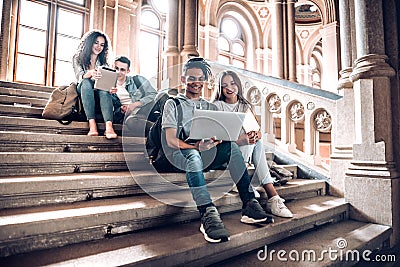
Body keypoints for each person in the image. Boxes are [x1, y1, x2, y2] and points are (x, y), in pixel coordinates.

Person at [162, 57, 273, 243]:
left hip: (205, 152)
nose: (196, 82)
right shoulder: (173, 104)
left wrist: (214, 142)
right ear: (183, 80)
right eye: (191, 78)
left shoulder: (210, 106)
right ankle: (207, 212)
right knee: (193, 156)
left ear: (204, 80)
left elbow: (218, 136)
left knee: (231, 147)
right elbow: (171, 140)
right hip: (181, 154)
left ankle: (249, 204)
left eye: (199, 78)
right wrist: (196, 146)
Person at [213, 70, 293, 218]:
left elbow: (256, 130)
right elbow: (215, 143)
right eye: (224, 85)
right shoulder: (217, 106)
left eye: (232, 83)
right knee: (249, 141)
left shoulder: (245, 106)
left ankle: (273, 198)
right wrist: (241, 140)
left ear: (238, 84)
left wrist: (256, 135)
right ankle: (267, 193)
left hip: (245, 152)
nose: (229, 88)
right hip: (225, 157)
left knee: (257, 142)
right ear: (220, 88)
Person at [72, 29, 117, 139]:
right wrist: (90, 73)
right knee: (86, 82)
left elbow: (107, 82)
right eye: (96, 43)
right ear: (90, 42)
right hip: (83, 89)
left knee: (104, 89)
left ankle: (109, 127)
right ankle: (92, 125)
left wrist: (112, 89)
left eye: (102, 45)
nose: (98, 47)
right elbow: (79, 76)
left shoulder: (104, 63)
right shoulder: (77, 58)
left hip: (99, 92)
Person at [111, 56, 157, 128]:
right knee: (131, 121)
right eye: (116, 68)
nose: (118, 72)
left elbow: (154, 94)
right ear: (112, 67)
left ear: (128, 71)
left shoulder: (137, 79)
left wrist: (135, 104)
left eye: (122, 70)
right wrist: (121, 110)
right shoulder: (109, 87)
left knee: (163, 96)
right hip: (127, 117)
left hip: (143, 110)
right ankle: (157, 128)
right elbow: (110, 110)